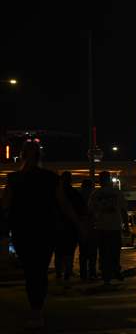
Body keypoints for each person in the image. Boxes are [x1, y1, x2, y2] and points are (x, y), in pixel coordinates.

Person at [0, 141, 80, 330]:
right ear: (39, 156)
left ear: (21, 156)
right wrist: (77, 223)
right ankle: (38, 308)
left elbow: (5, 205)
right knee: (41, 269)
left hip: (22, 229)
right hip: (46, 229)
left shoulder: (13, 179)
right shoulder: (51, 178)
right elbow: (63, 204)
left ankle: (35, 308)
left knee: (30, 270)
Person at [89, 171, 127, 287]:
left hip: (102, 227)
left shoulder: (96, 194)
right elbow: (123, 209)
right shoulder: (116, 192)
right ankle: (115, 269)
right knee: (115, 250)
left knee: (104, 252)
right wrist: (126, 225)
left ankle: (106, 275)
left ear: (100, 181)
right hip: (114, 226)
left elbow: (90, 211)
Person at [54, 171, 86, 287]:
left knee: (59, 251)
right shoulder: (74, 194)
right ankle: (67, 272)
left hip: (58, 226)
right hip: (71, 226)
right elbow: (82, 211)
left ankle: (59, 273)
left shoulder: (56, 194)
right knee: (69, 251)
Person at [79, 178, 98, 280]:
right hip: (92, 227)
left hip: (82, 226)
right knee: (92, 253)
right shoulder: (93, 196)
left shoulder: (79, 197)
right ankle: (92, 272)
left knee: (83, 253)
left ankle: (83, 273)